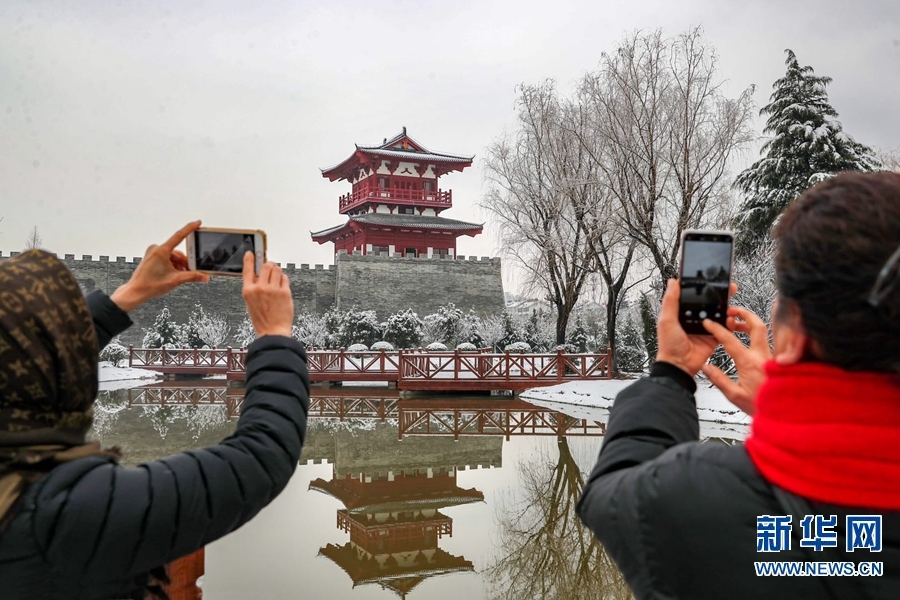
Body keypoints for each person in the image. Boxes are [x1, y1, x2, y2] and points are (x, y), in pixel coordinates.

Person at [577, 172, 900, 599]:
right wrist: (788, 416)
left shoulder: (695, 501)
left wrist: (673, 370)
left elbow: (609, 494)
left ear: (796, 331)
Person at [0, 221, 310, 600]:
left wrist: (128, 296)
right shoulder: (73, 514)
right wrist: (275, 335)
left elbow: (40, 357)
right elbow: (261, 459)